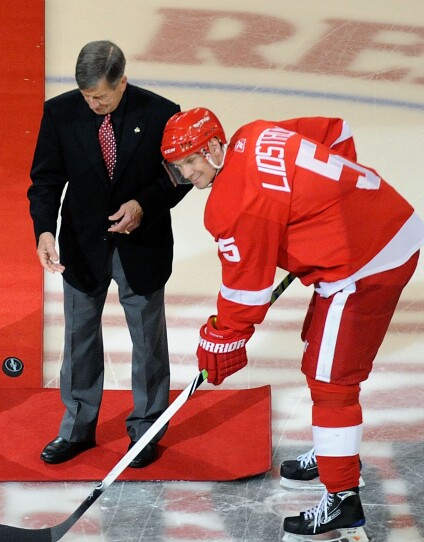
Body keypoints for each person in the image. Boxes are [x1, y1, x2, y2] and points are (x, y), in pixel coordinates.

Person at [160, 107, 423, 541]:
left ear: (212, 147)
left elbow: (246, 293)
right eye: (179, 166)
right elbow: (338, 133)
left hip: (365, 266)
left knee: (331, 380)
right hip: (388, 222)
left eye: (192, 160)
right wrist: (325, 207)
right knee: (316, 347)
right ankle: (331, 447)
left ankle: (343, 502)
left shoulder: (231, 205)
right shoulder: (256, 132)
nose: (188, 173)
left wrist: (221, 339)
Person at [29, 40, 190, 467]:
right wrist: (44, 231)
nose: (94, 104)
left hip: (143, 245)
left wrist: (144, 205)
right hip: (82, 245)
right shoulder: (60, 112)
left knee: (147, 340)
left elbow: (182, 173)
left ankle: (147, 429)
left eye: (101, 95)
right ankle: (78, 429)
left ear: (122, 81)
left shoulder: (160, 113)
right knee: (78, 337)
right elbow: (45, 180)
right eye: (87, 96)